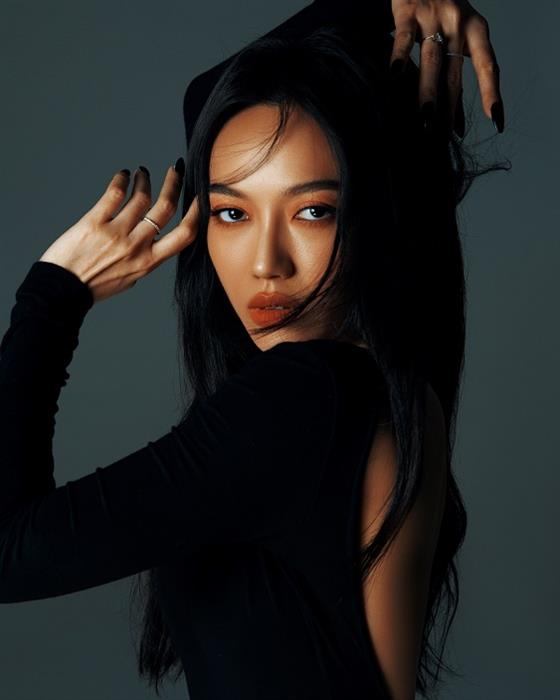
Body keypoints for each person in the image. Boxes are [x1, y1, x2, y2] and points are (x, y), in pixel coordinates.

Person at [0, 1, 506, 699]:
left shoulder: (299, 400)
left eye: (313, 211)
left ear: (371, 214)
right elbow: (210, 97)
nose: (266, 263)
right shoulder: (390, 389)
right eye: (232, 213)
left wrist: (53, 295)